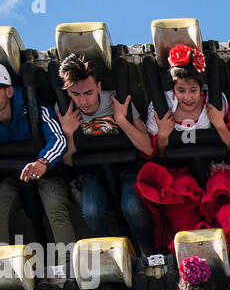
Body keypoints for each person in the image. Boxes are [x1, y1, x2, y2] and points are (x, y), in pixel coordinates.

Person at [137, 44, 230, 248]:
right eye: (181, 90)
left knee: (226, 215)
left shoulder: (215, 101)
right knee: (184, 221)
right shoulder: (161, 107)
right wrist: (163, 135)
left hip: (216, 171)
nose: (187, 97)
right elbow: (159, 154)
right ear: (173, 89)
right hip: (181, 176)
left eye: (193, 90)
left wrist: (220, 124)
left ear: (201, 88)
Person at [0, 60, 76, 248]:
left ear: (9, 91)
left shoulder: (35, 108)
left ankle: (71, 263)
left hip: (45, 173)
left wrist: (43, 161)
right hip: (7, 177)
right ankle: (1, 268)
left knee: (55, 206)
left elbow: (58, 139)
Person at [56, 54, 156, 253]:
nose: (83, 101)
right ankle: (107, 254)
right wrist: (69, 133)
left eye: (89, 93)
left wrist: (122, 119)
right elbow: (67, 161)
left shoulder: (115, 101)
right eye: (76, 94)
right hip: (91, 172)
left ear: (99, 88)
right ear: (68, 92)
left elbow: (147, 148)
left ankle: (148, 250)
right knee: (92, 211)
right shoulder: (66, 112)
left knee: (132, 207)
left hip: (127, 168)